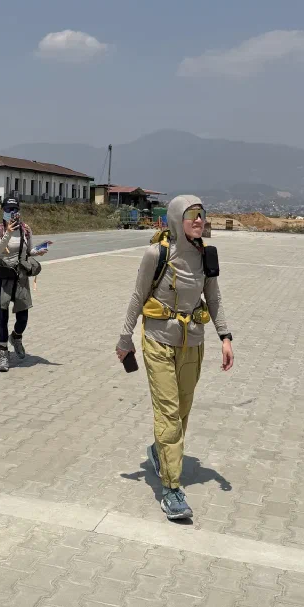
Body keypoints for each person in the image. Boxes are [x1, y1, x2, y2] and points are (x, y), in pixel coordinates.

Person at [116, 194, 234, 522]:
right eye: (192, 215)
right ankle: (171, 489)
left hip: (192, 343)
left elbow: (214, 298)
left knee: (182, 411)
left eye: (202, 214)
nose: (199, 220)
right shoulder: (157, 253)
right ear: (176, 219)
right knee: (168, 413)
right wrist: (125, 338)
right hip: (158, 341)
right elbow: (138, 296)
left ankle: (160, 452)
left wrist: (225, 337)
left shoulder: (206, 256)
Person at [0, 197, 48, 372]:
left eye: (14, 209)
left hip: (20, 277)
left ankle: (16, 337)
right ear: (3, 210)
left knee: (23, 318)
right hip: (2, 277)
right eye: (8, 209)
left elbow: (28, 250)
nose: (12, 213)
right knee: (3, 317)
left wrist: (38, 251)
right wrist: (8, 232)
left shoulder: (25, 230)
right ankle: (3, 354)